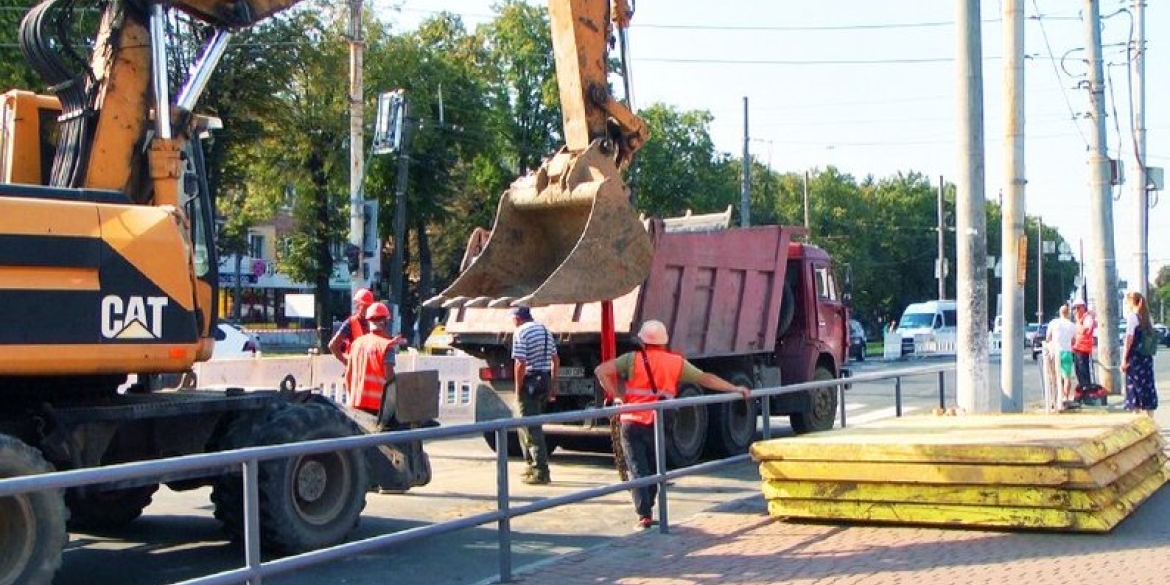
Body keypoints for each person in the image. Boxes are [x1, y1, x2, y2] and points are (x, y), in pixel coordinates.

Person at [594, 320, 751, 529]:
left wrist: (618, 396)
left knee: (638, 468)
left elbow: (600, 371)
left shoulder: (631, 359)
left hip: (631, 421)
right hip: (660, 421)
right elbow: (705, 378)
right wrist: (734, 388)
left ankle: (644, 515)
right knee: (655, 466)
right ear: (663, 342)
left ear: (642, 341)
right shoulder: (675, 362)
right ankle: (649, 509)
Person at [511, 306, 559, 485]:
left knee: (531, 428)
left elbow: (520, 363)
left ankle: (541, 470)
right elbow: (555, 359)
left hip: (529, 383)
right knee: (526, 424)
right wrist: (553, 385)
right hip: (544, 381)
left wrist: (518, 388)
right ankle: (530, 465)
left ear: (517, 318)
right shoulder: (544, 330)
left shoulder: (520, 332)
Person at [344, 302, 405, 415]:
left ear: (368, 321)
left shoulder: (356, 343)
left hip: (356, 403)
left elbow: (348, 375)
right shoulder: (386, 346)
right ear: (386, 322)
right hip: (378, 407)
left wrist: (351, 397)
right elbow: (389, 377)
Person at [1122, 291, 1159, 414]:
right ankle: (1150, 417)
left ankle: (1136, 416)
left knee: (1134, 387)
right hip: (1147, 358)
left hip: (1135, 358)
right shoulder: (1148, 318)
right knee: (1148, 387)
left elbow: (1129, 338)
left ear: (1132, 302)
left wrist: (1124, 358)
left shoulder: (1133, 317)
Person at [329, 288, 376, 366]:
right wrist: (347, 362)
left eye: (369, 306)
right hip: (356, 370)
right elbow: (333, 345)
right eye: (364, 305)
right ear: (357, 305)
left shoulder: (374, 322)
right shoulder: (350, 323)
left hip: (372, 368)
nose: (367, 309)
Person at [1045, 305, 1077, 410]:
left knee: (1054, 377)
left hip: (1055, 352)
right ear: (1068, 313)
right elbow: (1073, 340)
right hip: (1067, 351)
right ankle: (1065, 398)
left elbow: (1048, 338)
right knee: (1067, 377)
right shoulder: (1072, 325)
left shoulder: (1053, 323)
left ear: (1059, 312)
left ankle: (1056, 398)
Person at [1071, 299, 1096, 395]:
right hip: (1077, 348)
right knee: (1078, 370)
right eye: (1075, 308)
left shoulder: (1087, 318)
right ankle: (1083, 389)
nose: (1076, 310)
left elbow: (1086, 330)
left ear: (1083, 307)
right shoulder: (1080, 319)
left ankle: (1087, 391)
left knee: (1083, 371)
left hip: (1083, 348)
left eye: (1078, 308)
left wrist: (1078, 323)